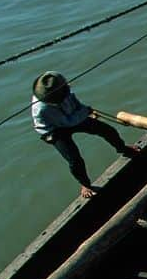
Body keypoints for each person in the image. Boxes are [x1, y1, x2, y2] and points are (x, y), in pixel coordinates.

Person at [31, 71, 137, 199]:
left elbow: (76, 104)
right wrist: (85, 112)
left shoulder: (63, 89)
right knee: (74, 160)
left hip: (72, 116)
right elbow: (67, 122)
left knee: (107, 130)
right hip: (55, 129)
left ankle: (123, 148)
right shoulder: (43, 109)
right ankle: (85, 184)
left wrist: (86, 110)